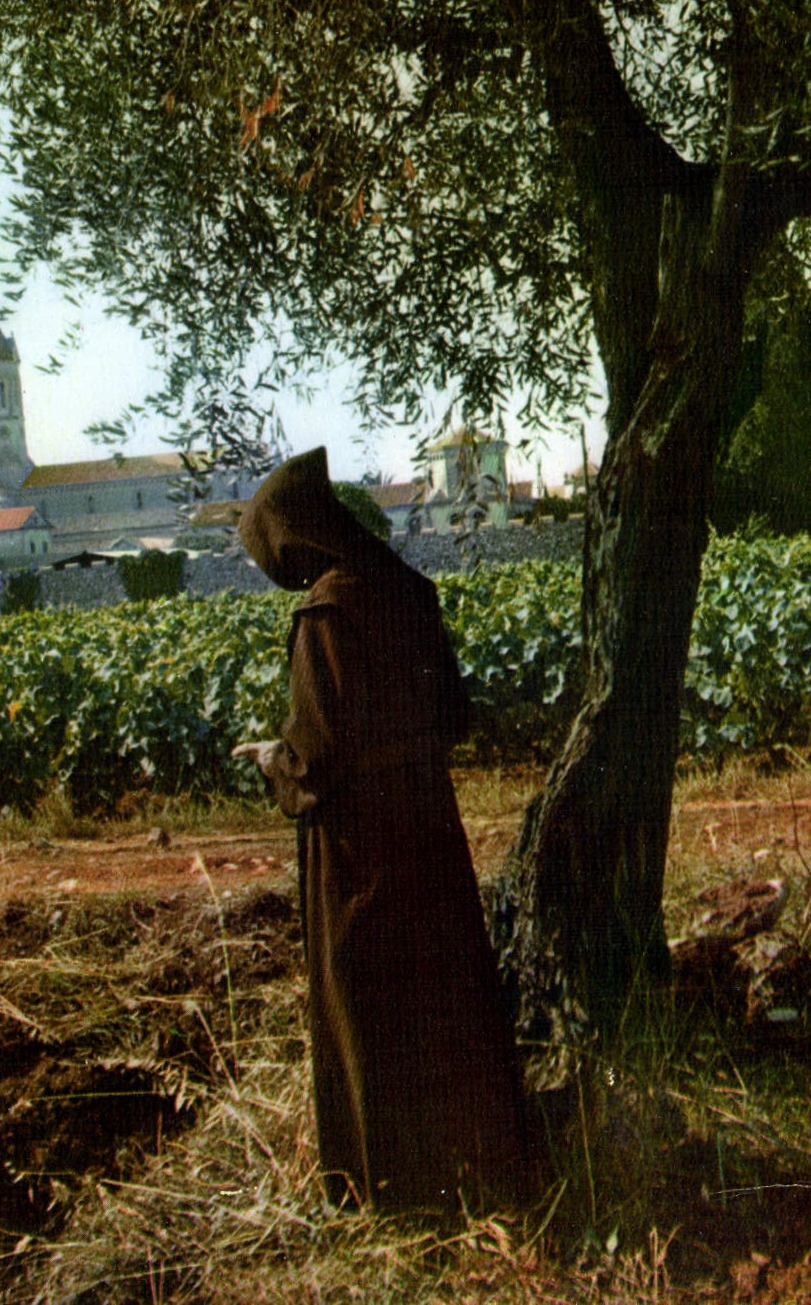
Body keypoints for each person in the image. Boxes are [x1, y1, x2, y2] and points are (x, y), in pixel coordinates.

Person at [232, 448, 529, 1212]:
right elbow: (455, 717)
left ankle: (390, 1187)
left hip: (360, 842)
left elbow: (317, 757)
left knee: (367, 992)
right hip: (427, 824)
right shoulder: (407, 590)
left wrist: (274, 760)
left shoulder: (326, 611)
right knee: (443, 987)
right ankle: (480, 1162)